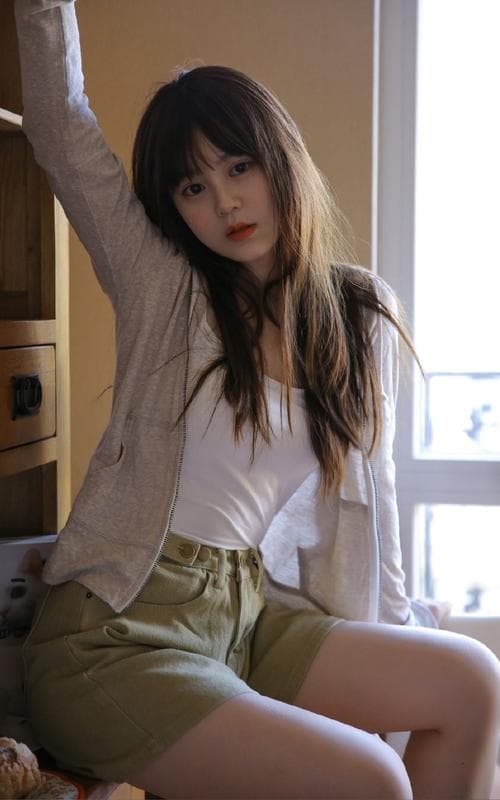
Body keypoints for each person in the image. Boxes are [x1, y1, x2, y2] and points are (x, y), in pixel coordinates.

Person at [15, 1, 499, 798]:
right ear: (174, 207)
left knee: (471, 679)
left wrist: (401, 619)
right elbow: (61, 126)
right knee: (374, 779)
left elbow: (373, 504)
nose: (226, 203)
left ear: (281, 158)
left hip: (245, 612)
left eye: (239, 167)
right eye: (194, 186)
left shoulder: (358, 315)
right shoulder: (165, 289)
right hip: (115, 636)